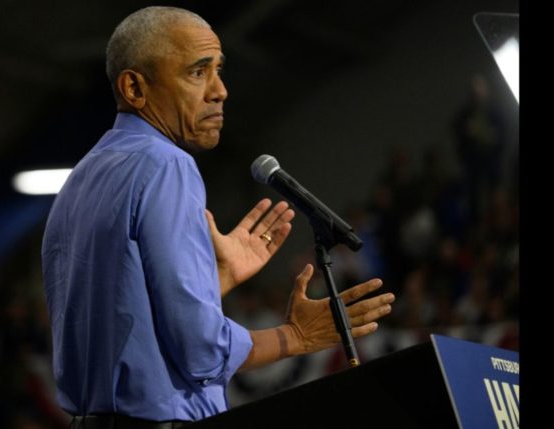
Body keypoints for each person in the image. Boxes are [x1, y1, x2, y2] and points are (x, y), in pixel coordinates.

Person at [41, 6, 395, 428]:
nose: (220, 90)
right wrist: (296, 337)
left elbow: (123, 319)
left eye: (218, 70)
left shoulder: (81, 179)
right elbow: (198, 350)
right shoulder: (167, 164)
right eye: (197, 73)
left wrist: (215, 280)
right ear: (135, 88)